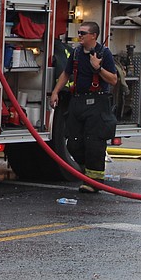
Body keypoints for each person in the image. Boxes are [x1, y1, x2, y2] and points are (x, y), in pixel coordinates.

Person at [50, 20, 118, 192]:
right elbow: (66, 73)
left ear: (93, 36)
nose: (79, 36)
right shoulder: (76, 53)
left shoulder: (105, 54)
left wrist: (98, 68)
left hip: (97, 103)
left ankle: (94, 183)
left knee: (94, 143)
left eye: (83, 33)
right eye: (78, 32)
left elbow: (113, 80)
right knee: (73, 142)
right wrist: (56, 92)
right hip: (78, 101)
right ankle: (86, 173)